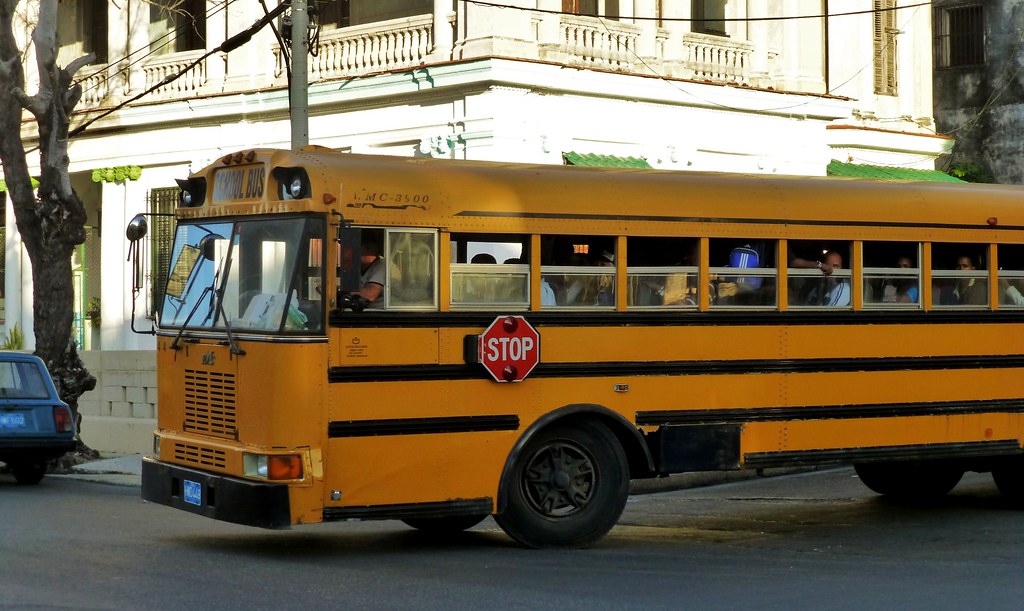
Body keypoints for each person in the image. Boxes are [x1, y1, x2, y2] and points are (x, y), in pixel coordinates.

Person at [353, 239, 385, 308]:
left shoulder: (383, 265)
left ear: (369, 248)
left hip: (384, 315)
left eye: (357, 249)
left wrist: (347, 292)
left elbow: (371, 295)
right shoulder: (359, 268)